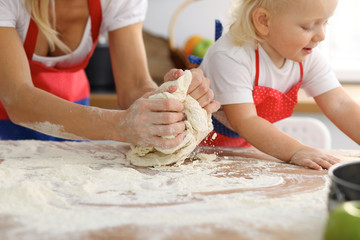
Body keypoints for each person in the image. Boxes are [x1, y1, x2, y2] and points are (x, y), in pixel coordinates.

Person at [0, 0, 220, 149]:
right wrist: (118, 125)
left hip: (77, 126)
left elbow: (134, 85)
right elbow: (17, 98)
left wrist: (167, 102)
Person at [198, 0, 360, 170]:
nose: (322, 36)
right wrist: (296, 150)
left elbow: (341, 105)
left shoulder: (307, 56)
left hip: (246, 148)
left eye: (325, 22)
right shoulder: (231, 56)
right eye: (307, 26)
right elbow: (245, 120)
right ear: (263, 21)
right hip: (201, 151)